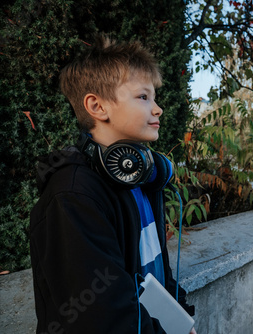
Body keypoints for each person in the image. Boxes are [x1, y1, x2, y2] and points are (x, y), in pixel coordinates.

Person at [29, 35, 195, 334]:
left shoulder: (139, 179)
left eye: (154, 98)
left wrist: (180, 317)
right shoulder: (73, 195)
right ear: (97, 106)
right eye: (143, 97)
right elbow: (101, 317)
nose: (157, 109)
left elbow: (156, 271)